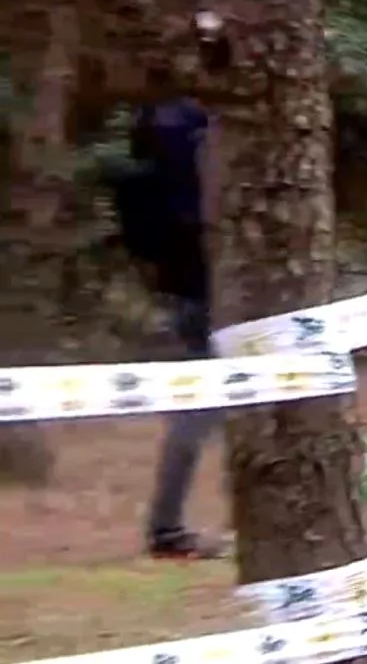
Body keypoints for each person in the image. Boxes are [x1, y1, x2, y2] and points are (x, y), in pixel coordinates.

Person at [108, 77, 228, 560]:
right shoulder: (200, 136)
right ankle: (167, 527)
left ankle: (171, 524)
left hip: (182, 285)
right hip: (211, 289)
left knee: (206, 407)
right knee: (207, 408)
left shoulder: (156, 132)